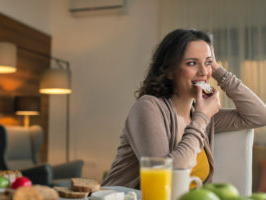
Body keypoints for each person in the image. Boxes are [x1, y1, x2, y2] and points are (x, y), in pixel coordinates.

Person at [101, 29, 266, 189]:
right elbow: (165, 175)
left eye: (207, 63)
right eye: (192, 63)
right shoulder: (148, 107)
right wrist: (202, 117)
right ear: (170, 71)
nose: (203, 72)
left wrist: (217, 71)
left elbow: (260, 115)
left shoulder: (201, 115)